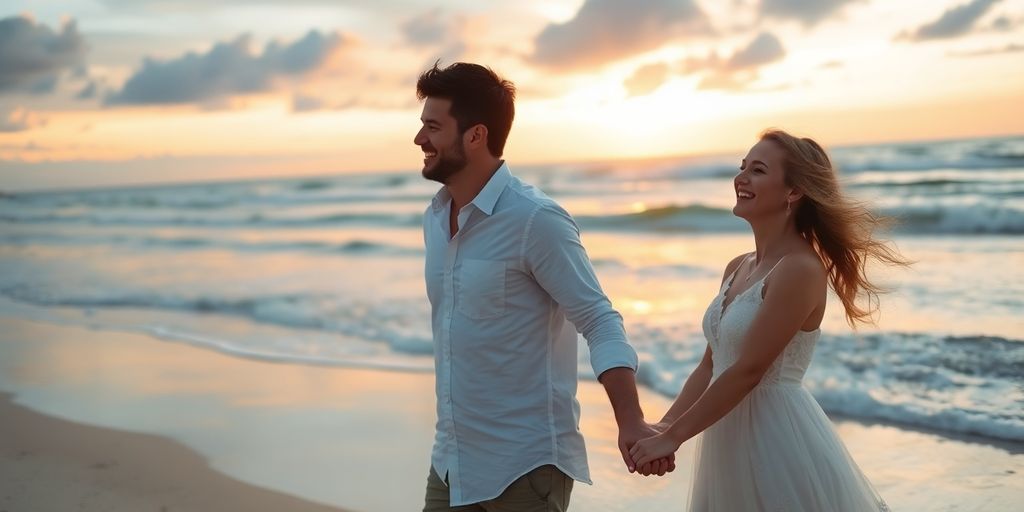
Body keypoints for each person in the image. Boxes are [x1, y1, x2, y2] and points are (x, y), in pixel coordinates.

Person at [415, 61, 673, 512]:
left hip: (524, 469)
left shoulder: (536, 219)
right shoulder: (436, 217)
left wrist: (630, 421)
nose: (420, 139)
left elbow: (599, 319)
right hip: (451, 465)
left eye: (433, 127)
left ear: (475, 135)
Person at [629, 129, 905, 511]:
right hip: (726, 432)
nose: (741, 178)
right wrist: (665, 426)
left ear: (793, 192)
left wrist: (673, 438)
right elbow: (711, 364)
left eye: (757, 170)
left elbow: (748, 370)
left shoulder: (800, 270)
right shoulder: (736, 266)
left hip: (776, 439)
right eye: (742, 167)